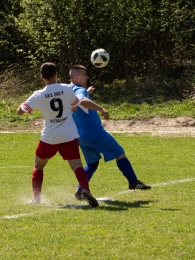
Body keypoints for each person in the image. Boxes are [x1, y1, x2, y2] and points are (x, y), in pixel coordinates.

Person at [17, 62, 99, 208]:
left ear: (42, 77)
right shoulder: (67, 88)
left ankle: (36, 198)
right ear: (56, 75)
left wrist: (28, 108)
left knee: (39, 166)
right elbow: (74, 108)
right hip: (69, 134)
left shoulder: (38, 95)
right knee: (76, 165)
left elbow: (20, 111)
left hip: (50, 136)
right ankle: (85, 189)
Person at [68, 64, 151, 200]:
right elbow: (82, 101)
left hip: (80, 135)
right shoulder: (79, 90)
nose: (87, 77)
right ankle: (133, 181)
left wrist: (87, 93)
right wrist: (101, 109)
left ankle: (80, 190)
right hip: (93, 132)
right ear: (77, 77)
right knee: (119, 152)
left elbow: (78, 100)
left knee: (92, 163)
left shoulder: (68, 89)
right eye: (84, 75)